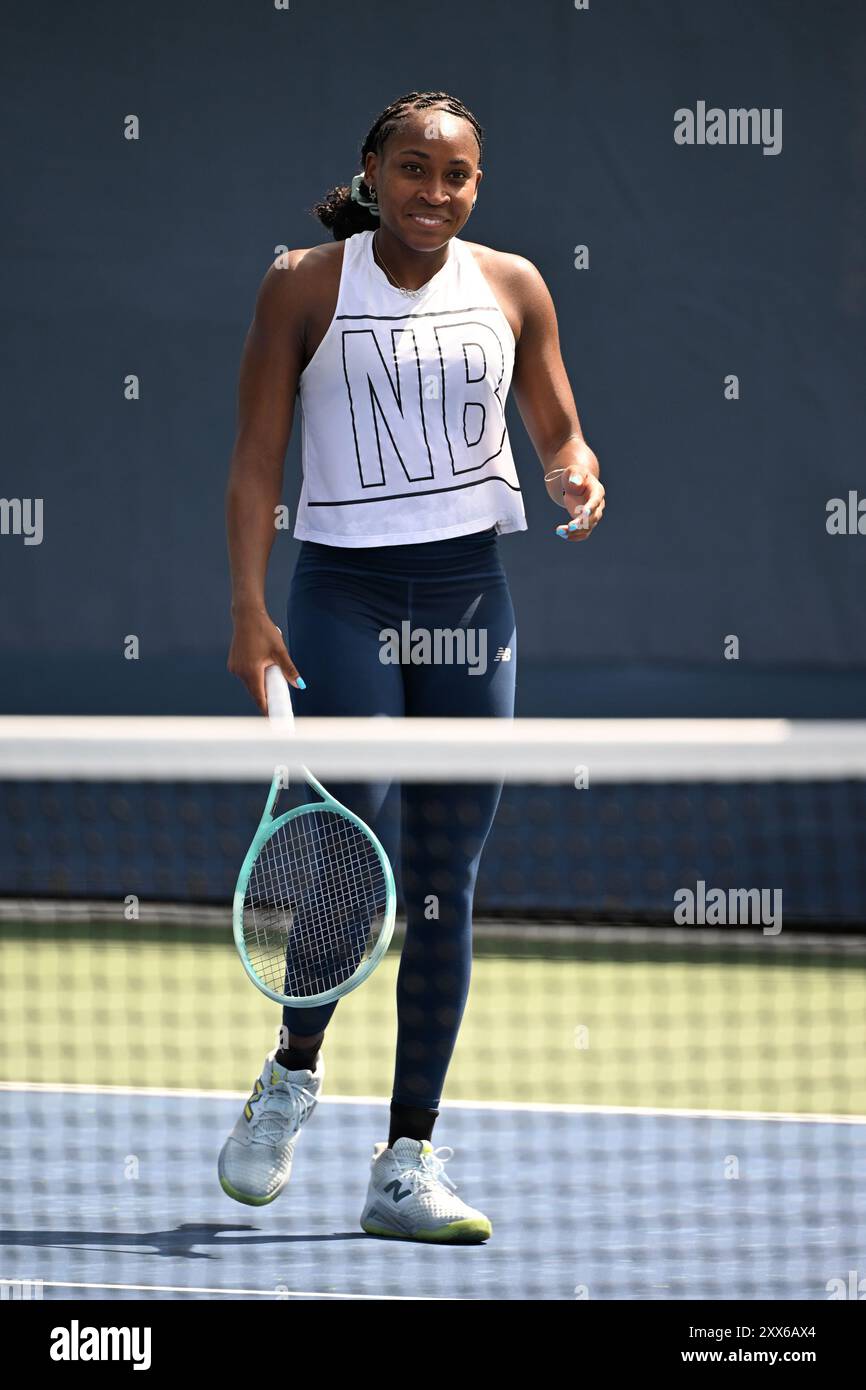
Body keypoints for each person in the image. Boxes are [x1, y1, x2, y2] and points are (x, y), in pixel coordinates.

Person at [219, 90, 605, 1244]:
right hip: (340, 591)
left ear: (475, 185)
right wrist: (247, 606)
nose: (434, 193)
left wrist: (575, 471)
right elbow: (254, 459)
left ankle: (408, 1155)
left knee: (448, 868)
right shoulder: (301, 284)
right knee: (359, 830)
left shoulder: (514, 286)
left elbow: (557, 430)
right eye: (413, 170)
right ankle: (291, 1073)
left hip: (468, 596)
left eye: (457, 175)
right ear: (371, 173)